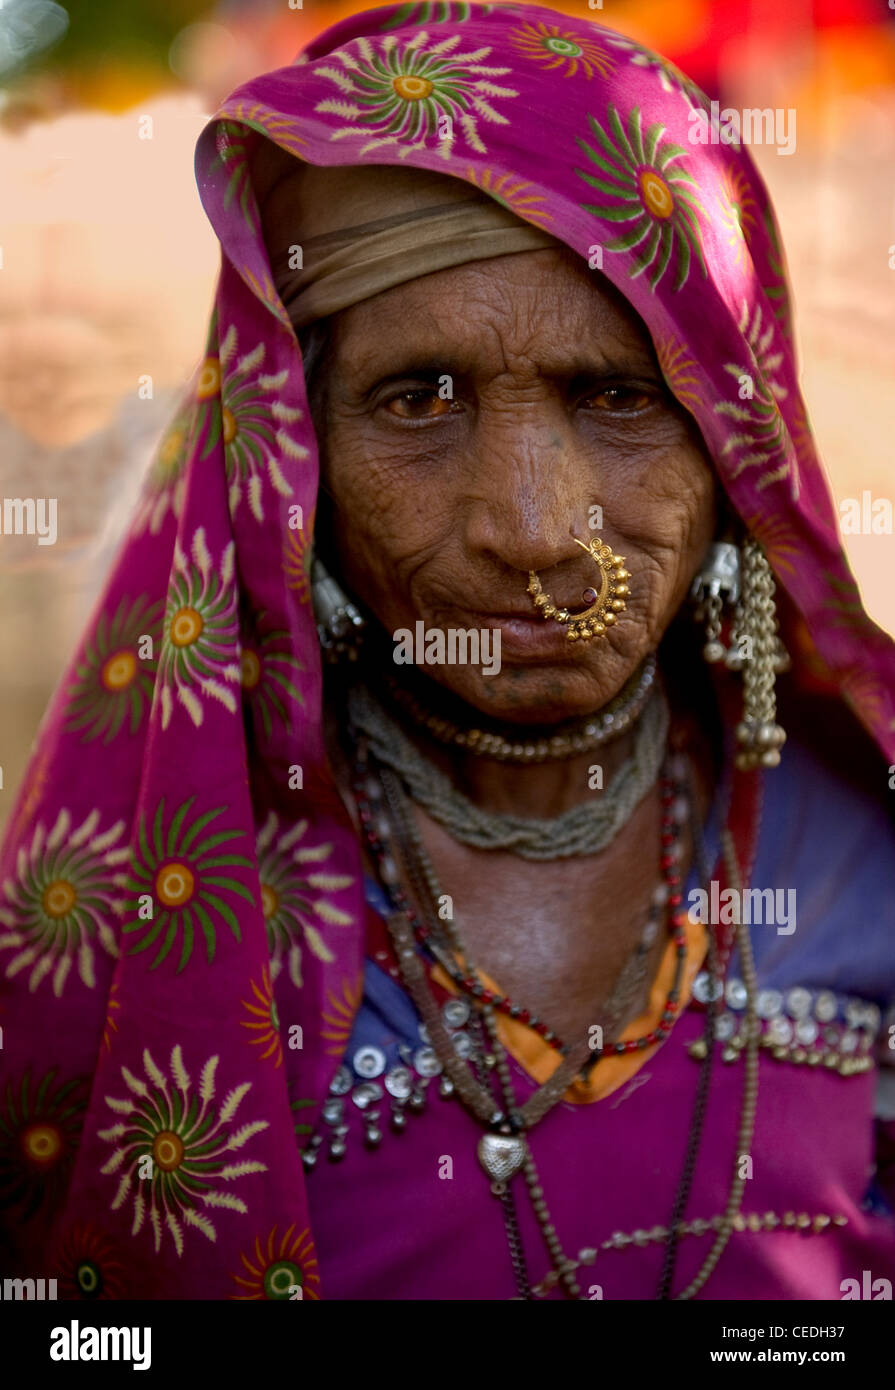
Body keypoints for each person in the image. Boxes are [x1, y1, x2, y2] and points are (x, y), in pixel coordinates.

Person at [1, 0, 893, 1302]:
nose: (531, 530)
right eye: (417, 400)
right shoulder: (163, 922)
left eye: (620, 397)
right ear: (291, 457)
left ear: (738, 450)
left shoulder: (864, 856)